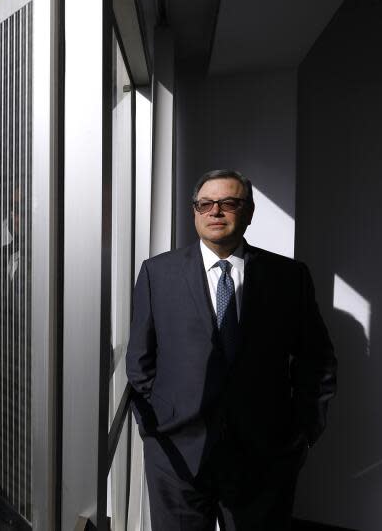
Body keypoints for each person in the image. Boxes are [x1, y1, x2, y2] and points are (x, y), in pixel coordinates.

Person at [126, 169, 337, 530]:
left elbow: (316, 361)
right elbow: (140, 361)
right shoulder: (158, 274)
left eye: (229, 203)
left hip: (264, 454)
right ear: (194, 212)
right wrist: (158, 430)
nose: (216, 212)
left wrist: (304, 432)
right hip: (177, 454)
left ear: (249, 213)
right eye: (205, 204)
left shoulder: (288, 277)